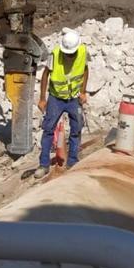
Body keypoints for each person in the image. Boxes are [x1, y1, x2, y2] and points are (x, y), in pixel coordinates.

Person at [34, 28, 89, 178]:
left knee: (76, 128)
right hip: (56, 98)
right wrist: (42, 98)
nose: (69, 56)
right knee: (48, 130)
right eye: (67, 53)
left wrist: (83, 92)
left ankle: (72, 161)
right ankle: (43, 164)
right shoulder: (55, 54)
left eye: (71, 54)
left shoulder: (83, 51)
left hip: (73, 98)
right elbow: (46, 75)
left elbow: (85, 70)